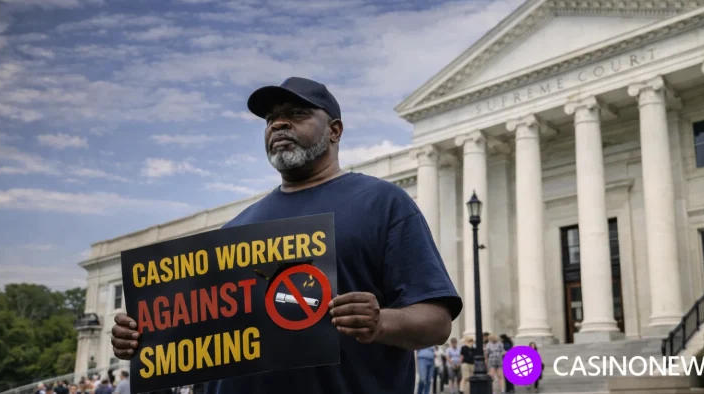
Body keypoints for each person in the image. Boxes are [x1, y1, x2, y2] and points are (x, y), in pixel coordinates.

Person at [109, 77, 463, 394]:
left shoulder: (382, 203)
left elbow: (436, 322)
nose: (278, 123)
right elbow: (201, 336)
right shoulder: (233, 230)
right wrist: (143, 337)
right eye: (269, 120)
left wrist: (381, 322)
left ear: (335, 130)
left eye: (296, 114)